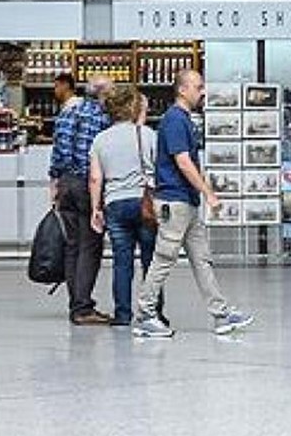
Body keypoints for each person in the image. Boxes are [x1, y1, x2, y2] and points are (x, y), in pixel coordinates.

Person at [132, 70, 254, 338]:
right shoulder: (175, 120)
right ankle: (145, 314)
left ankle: (221, 314)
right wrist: (208, 192)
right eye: (198, 87)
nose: (203, 92)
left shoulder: (183, 119)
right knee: (164, 258)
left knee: (202, 258)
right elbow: (183, 161)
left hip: (186, 201)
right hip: (175, 201)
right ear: (182, 89)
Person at [88, 84, 159, 325]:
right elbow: (159, 170)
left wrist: (95, 209)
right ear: (132, 107)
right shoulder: (147, 134)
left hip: (114, 204)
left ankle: (122, 314)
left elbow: (96, 177)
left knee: (122, 262)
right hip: (144, 202)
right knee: (151, 261)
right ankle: (153, 312)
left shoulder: (100, 139)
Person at [50, 73, 113, 326]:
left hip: (66, 183)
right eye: (111, 90)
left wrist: (55, 182)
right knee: (91, 244)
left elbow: (58, 150)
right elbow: (102, 157)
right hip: (89, 185)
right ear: (102, 93)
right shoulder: (102, 118)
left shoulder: (67, 112)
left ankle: (75, 302)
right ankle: (83, 307)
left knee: (72, 245)